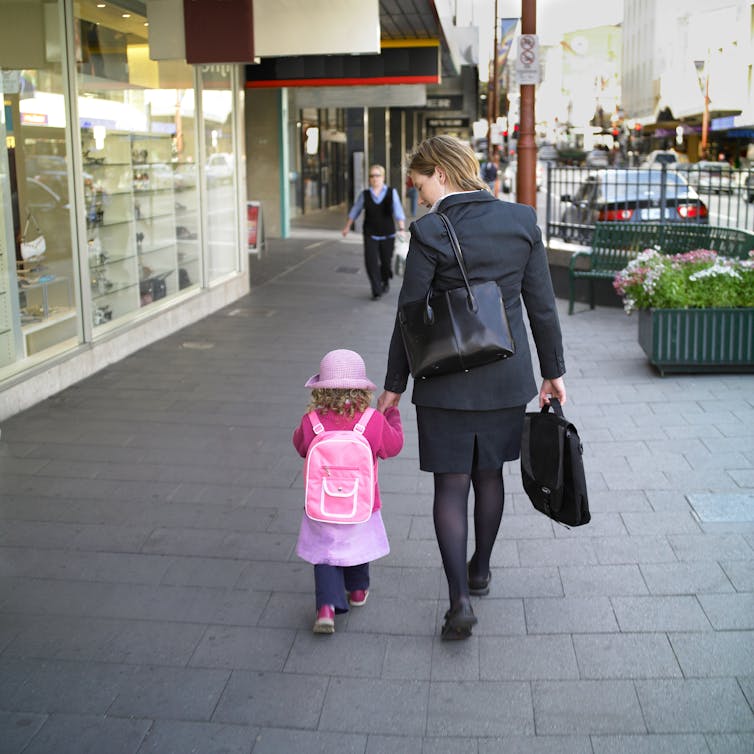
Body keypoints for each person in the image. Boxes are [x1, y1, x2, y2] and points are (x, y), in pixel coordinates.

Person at [377, 135, 566, 641]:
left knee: (450, 486)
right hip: (506, 379)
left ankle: (459, 599)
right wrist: (553, 372)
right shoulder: (521, 221)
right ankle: (481, 567)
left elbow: (409, 317)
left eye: (418, 184)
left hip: (443, 382)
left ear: (440, 172)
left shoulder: (430, 231)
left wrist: (394, 385)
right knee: (490, 477)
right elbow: (541, 306)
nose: (418, 196)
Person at [294, 349, 403, 634]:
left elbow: (299, 445)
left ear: (321, 391)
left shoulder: (312, 422)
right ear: (361, 390)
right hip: (361, 503)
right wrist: (391, 415)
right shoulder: (372, 421)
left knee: (324, 553)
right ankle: (356, 591)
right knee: (358, 545)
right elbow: (393, 446)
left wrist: (310, 425)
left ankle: (326, 609)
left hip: (321, 505)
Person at [342, 165, 406, 300]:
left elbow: (398, 211)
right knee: (370, 262)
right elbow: (355, 210)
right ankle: (376, 289)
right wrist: (347, 227)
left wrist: (401, 229)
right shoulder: (365, 194)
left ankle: (385, 280)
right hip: (370, 234)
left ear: (383, 177)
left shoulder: (391, 192)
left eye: (377, 175)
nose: (374, 178)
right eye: (371, 176)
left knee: (386, 263)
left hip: (388, 235)